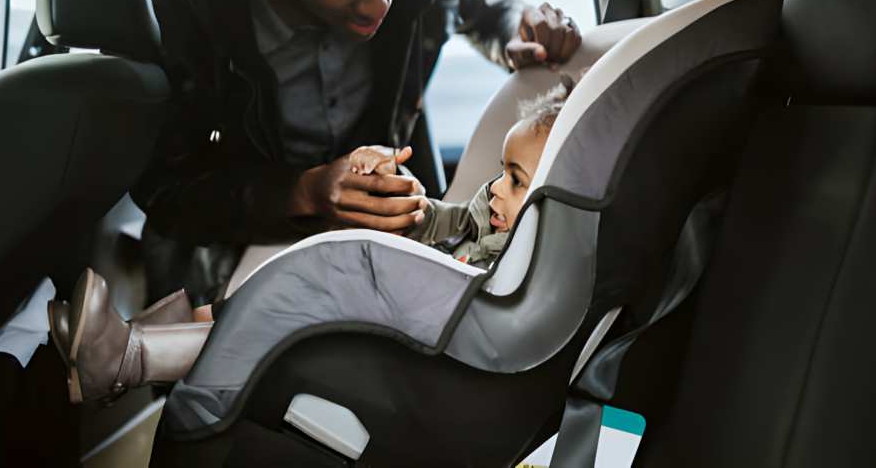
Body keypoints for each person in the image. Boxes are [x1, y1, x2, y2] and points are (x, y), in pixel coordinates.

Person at [131, 0, 583, 306]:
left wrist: (523, 32)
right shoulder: (170, 5)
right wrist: (304, 193)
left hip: (398, 236)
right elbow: (165, 190)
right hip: (231, 260)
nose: (378, 4)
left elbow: (493, 11)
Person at [50, 78, 579, 403]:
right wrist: (404, 195)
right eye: (503, 173)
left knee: (288, 303)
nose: (496, 191)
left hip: (404, 341)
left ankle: (125, 361)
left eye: (515, 180)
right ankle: (126, 341)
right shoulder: (486, 218)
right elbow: (435, 220)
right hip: (388, 304)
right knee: (290, 272)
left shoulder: (524, 265)